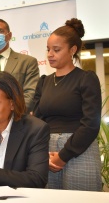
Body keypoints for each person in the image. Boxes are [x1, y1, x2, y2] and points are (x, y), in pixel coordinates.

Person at [33, 18, 102, 191]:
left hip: (79, 149)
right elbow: (36, 119)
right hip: (47, 152)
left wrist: (63, 155)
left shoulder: (86, 78)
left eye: (56, 50)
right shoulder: (44, 82)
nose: (50, 54)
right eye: (48, 49)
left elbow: (91, 124)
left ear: (72, 50)